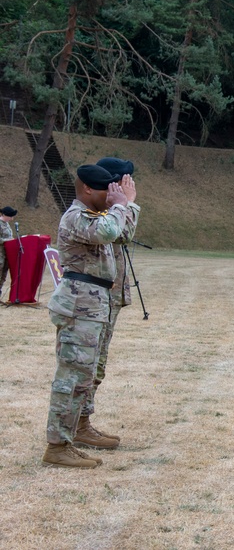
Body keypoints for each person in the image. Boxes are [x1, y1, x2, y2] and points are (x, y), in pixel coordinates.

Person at [42, 164, 138, 468]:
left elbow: (121, 233)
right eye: (106, 191)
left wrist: (125, 205)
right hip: (79, 304)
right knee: (70, 378)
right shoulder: (76, 217)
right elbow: (110, 230)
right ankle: (56, 446)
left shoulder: (98, 216)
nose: (111, 197)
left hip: (92, 304)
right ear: (87, 190)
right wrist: (122, 204)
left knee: (83, 378)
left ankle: (69, 438)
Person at [67, 157, 141, 451]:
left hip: (108, 294)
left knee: (96, 365)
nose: (128, 185)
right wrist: (127, 203)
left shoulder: (110, 207)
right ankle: (76, 426)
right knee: (88, 365)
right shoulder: (98, 209)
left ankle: (81, 423)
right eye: (124, 180)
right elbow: (123, 233)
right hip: (94, 297)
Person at [0, 205, 16, 298]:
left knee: (3, 275)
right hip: (0, 253)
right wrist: (7, 240)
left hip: (7, 254)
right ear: (5, 215)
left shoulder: (6, 224)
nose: (11, 219)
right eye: (10, 216)